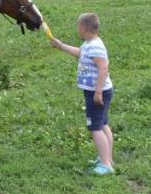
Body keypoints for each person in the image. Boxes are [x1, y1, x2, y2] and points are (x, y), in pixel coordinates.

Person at [49, 12, 115, 174]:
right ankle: (106, 158)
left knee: (95, 127)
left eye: (78, 27)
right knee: (103, 124)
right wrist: (61, 45)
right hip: (96, 91)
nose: (77, 30)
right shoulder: (88, 44)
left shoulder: (96, 46)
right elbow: (79, 53)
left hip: (97, 93)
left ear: (84, 28)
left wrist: (98, 92)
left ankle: (106, 165)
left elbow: (103, 68)